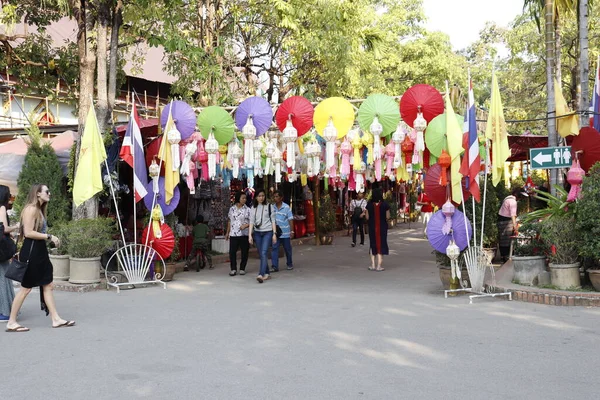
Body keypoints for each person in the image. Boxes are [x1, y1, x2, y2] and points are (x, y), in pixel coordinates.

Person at [6, 184, 74, 332]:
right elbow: (29, 232)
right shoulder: (31, 209)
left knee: (47, 284)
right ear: (37, 194)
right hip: (32, 251)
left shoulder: (39, 210)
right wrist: (49, 236)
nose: (49, 194)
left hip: (39, 251)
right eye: (46, 191)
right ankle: (11, 321)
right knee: (25, 288)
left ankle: (55, 319)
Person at [248, 189, 277, 283]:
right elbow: (251, 222)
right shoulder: (253, 208)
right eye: (259, 196)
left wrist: (274, 234)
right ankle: (267, 273)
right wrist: (250, 235)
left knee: (264, 252)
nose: (261, 198)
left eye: (263, 196)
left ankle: (261, 274)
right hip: (257, 233)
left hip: (267, 232)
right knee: (261, 254)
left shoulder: (269, 206)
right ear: (256, 197)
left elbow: (273, 221)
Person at [0, 185, 17, 321]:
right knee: (4, 277)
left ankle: (8, 309)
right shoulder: (1, 208)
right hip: (2, 248)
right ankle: (7, 310)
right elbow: (4, 228)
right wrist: (16, 227)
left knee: (3, 276)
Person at [225, 191, 250, 276]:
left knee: (244, 252)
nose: (244, 200)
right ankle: (233, 269)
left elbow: (252, 222)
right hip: (233, 233)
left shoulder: (248, 209)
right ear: (238, 198)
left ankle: (242, 268)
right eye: (243, 198)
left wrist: (246, 225)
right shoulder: (232, 209)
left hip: (244, 234)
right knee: (232, 252)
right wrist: (227, 232)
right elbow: (229, 221)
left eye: (245, 198)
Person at [365, 188, 390, 271]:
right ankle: (379, 266)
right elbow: (387, 217)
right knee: (381, 244)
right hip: (382, 227)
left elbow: (367, 217)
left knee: (373, 244)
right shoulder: (385, 204)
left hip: (372, 227)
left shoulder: (369, 205)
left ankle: (372, 265)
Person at [271, 190, 294, 271]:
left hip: (285, 232)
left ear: (281, 198)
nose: (275, 198)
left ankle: (289, 263)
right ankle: (274, 266)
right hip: (276, 233)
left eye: (277, 196)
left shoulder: (286, 207)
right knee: (274, 248)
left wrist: (292, 231)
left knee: (287, 249)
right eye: (274, 197)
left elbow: (290, 219)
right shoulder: (272, 207)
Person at [498, 187, 522, 262]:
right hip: (506, 221)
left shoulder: (507, 198)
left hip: (501, 220)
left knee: (502, 238)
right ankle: (507, 256)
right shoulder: (513, 202)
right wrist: (515, 226)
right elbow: (513, 215)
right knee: (508, 239)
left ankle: (503, 256)